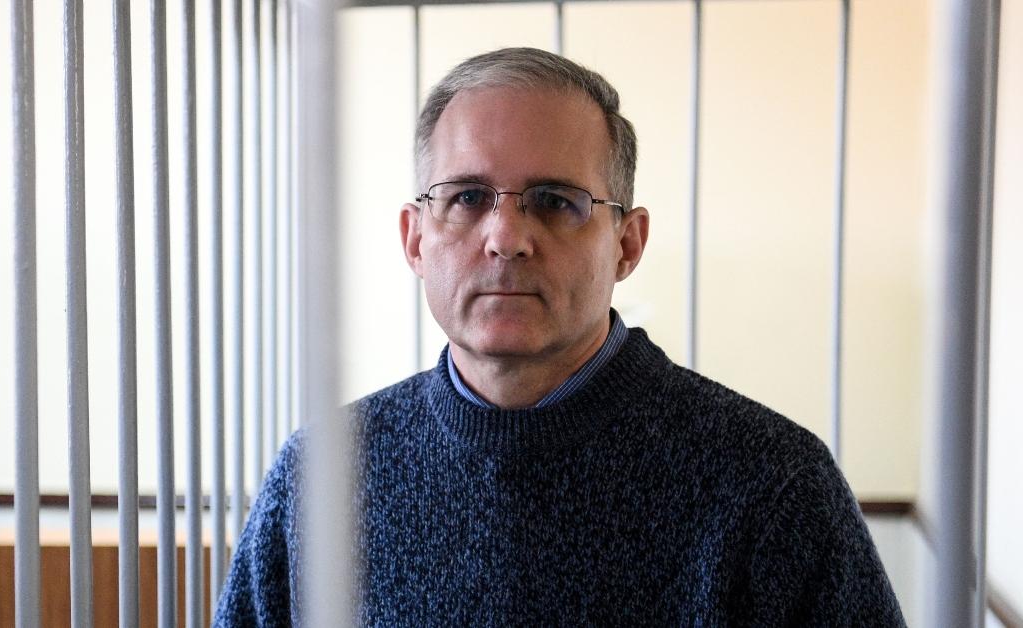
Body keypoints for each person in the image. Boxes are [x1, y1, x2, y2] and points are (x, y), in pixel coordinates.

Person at [214, 47, 905, 626]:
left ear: (627, 245)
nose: (507, 238)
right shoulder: (320, 478)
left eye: (555, 201)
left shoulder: (773, 487)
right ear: (416, 239)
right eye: (466, 197)